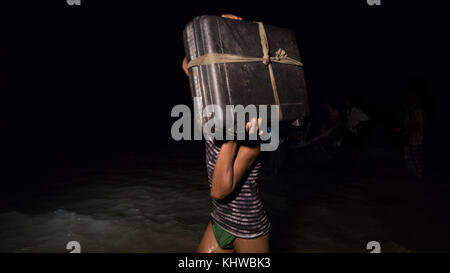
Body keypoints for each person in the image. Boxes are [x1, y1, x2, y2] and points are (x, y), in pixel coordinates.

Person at [182, 14, 271, 253]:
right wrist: (223, 33)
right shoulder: (215, 106)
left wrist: (231, 137)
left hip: (248, 228)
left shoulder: (255, 140)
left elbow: (219, 190)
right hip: (219, 219)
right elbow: (188, 64)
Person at [402, 93, 425, 181]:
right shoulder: (410, 110)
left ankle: (417, 177)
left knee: (415, 159)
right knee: (409, 158)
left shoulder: (416, 110)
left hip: (416, 139)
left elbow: (417, 124)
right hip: (410, 139)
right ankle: (414, 177)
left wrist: (408, 128)